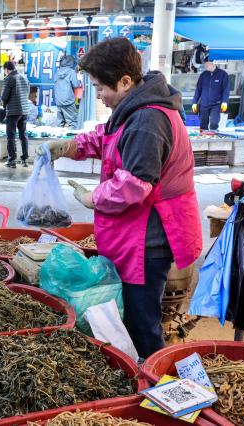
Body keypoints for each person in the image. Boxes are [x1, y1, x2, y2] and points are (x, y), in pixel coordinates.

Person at [37, 37, 202, 360]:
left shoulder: (149, 120)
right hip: (133, 234)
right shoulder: (134, 109)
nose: (98, 95)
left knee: (143, 323)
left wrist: (93, 197)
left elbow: (134, 184)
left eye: (101, 88)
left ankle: (157, 384)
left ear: (126, 81)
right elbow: (107, 137)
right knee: (132, 317)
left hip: (148, 240)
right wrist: (72, 146)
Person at [1, 61, 31, 168]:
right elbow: (27, 92)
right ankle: (25, 159)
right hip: (25, 111)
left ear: (6, 70)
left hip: (13, 112)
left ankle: (12, 160)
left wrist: (4, 106)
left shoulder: (9, 78)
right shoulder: (24, 78)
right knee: (23, 135)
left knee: (11, 136)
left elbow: (4, 96)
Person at [192, 58, 230, 131]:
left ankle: (213, 139)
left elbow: (226, 90)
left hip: (216, 104)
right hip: (203, 104)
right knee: (203, 124)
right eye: (205, 64)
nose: (205, 66)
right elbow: (198, 89)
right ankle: (203, 139)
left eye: (207, 64)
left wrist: (224, 101)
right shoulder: (203, 75)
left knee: (214, 123)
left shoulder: (223, 74)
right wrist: (194, 102)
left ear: (213, 64)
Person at [54, 55, 81, 128]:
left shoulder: (57, 72)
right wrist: (80, 81)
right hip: (68, 100)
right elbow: (76, 85)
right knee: (73, 122)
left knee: (60, 122)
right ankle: (72, 139)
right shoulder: (71, 72)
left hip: (59, 100)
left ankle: (58, 138)